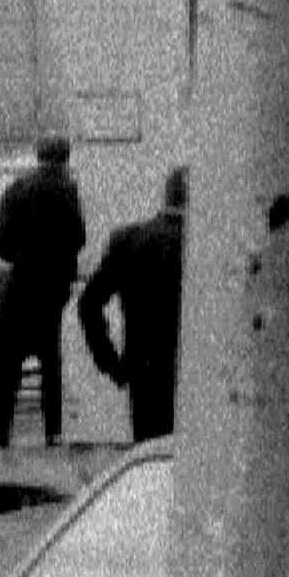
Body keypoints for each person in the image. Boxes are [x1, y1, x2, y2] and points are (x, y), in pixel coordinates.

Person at [0, 137, 88, 448]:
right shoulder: (69, 191)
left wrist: (20, 253)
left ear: (38, 156)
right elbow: (80, 237)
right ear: (65, 158)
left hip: (23, 281)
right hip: (55, 285)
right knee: (51, 358)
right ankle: (53, 429)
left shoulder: (18, 188)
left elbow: (0, 243)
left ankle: (0, 428)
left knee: (6, 357)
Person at [79, 166, 186, 442]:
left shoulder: (128, 240)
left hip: (143, 369)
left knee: (150, 453)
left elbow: (88, 303)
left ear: (167, 196)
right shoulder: (205, 244)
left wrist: (110, 362)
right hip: (197, 372)